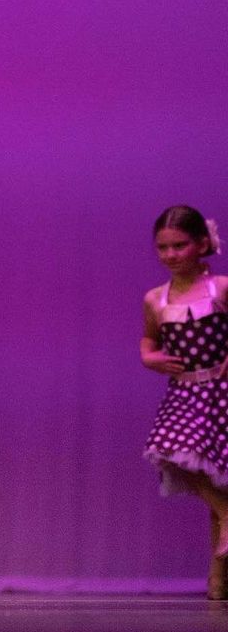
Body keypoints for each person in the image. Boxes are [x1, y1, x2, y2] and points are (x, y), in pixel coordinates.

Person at [140, 205, 228, 600]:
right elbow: (149, 342)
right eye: (164, 248)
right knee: (168, 450)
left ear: (202, 245)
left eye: (180, 245)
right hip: (185, 393)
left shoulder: (220, 289)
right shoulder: (156, 299)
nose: (172, 255)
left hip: (221, 394)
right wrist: (151, 358)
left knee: (218, 478)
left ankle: (218, 584)